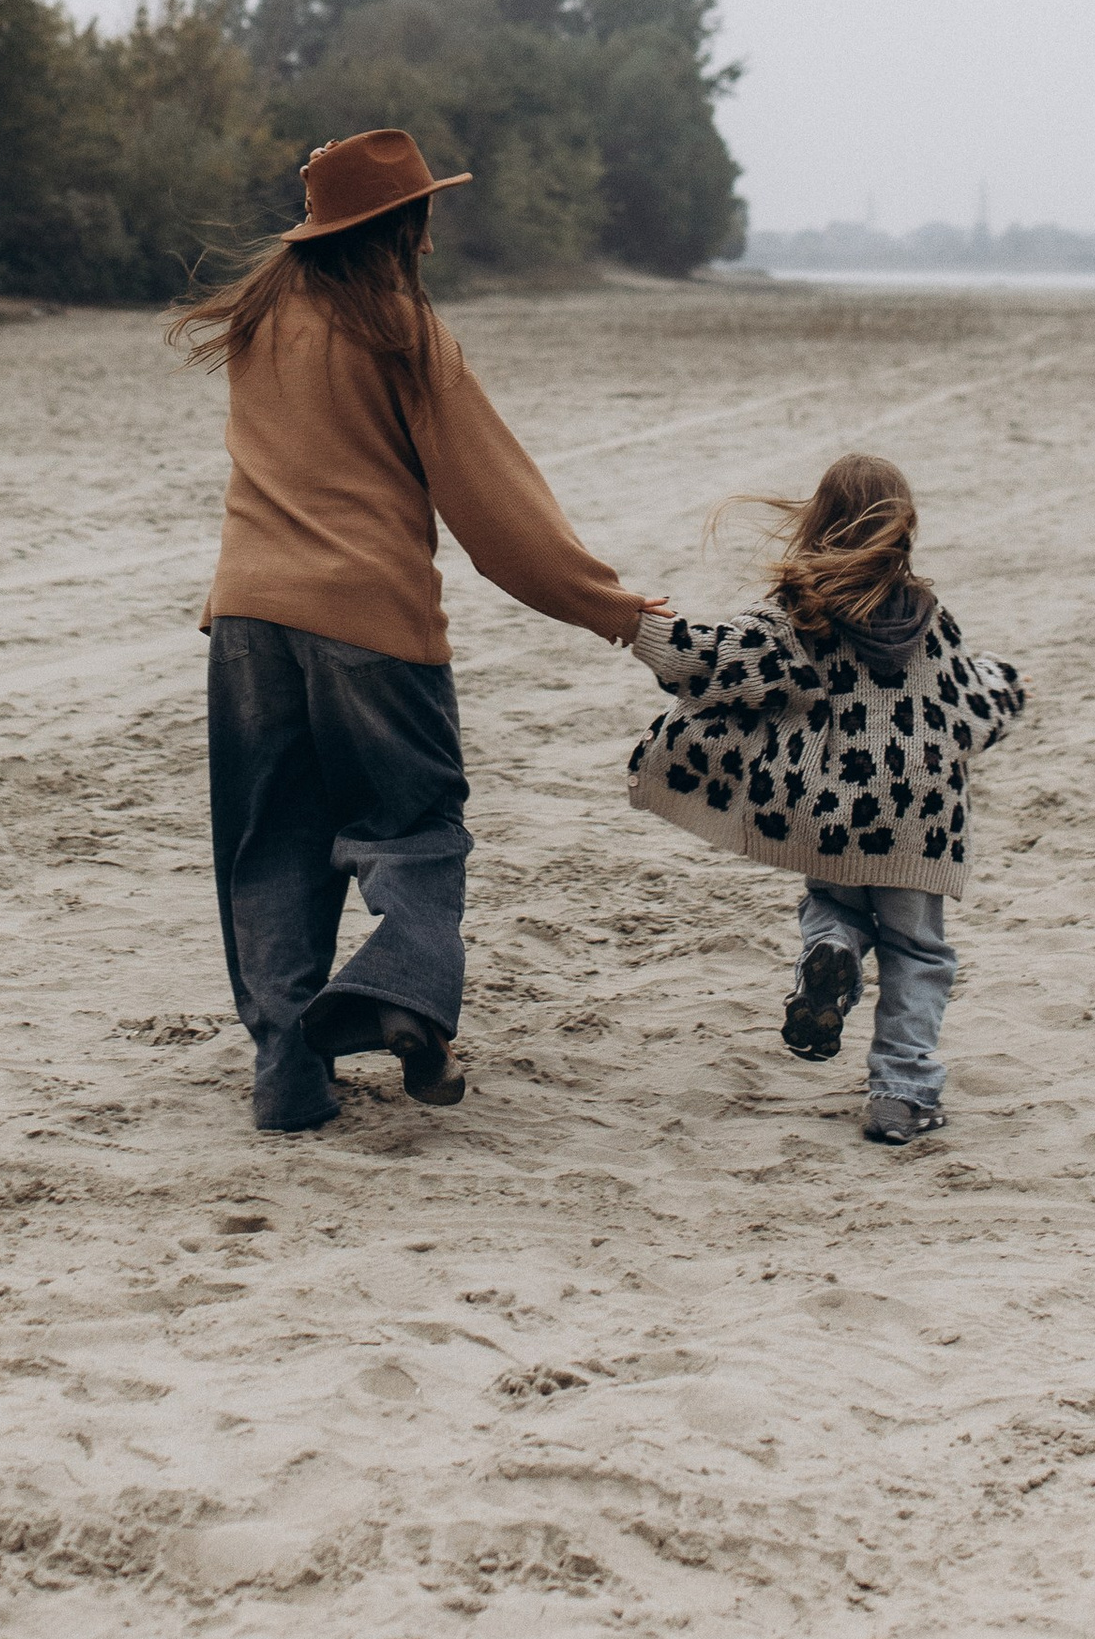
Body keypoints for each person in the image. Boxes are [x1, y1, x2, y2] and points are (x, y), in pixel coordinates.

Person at [175, 126, 664, 1133]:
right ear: (404, 225)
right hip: (371, 623)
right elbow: (496, 512)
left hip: (248, 623)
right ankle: (401, 987)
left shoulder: (261, 321)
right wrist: (611, 609)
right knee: (416, 832)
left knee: (271, 849)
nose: (432, 243)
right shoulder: (399, 330)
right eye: (425, 218)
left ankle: (286, 1076)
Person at [625, 449, 1026, 1143]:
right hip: (919, 825)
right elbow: (970, 706)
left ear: (819, 523)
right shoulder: (932, 620)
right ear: (903, 531)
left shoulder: (798, 614)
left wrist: (636, 620)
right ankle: (902, 1094)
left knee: (834, 902)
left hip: (832, 815)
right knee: (919, 952)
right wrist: (1007, 681)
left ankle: (831, 949)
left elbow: (713, 661)